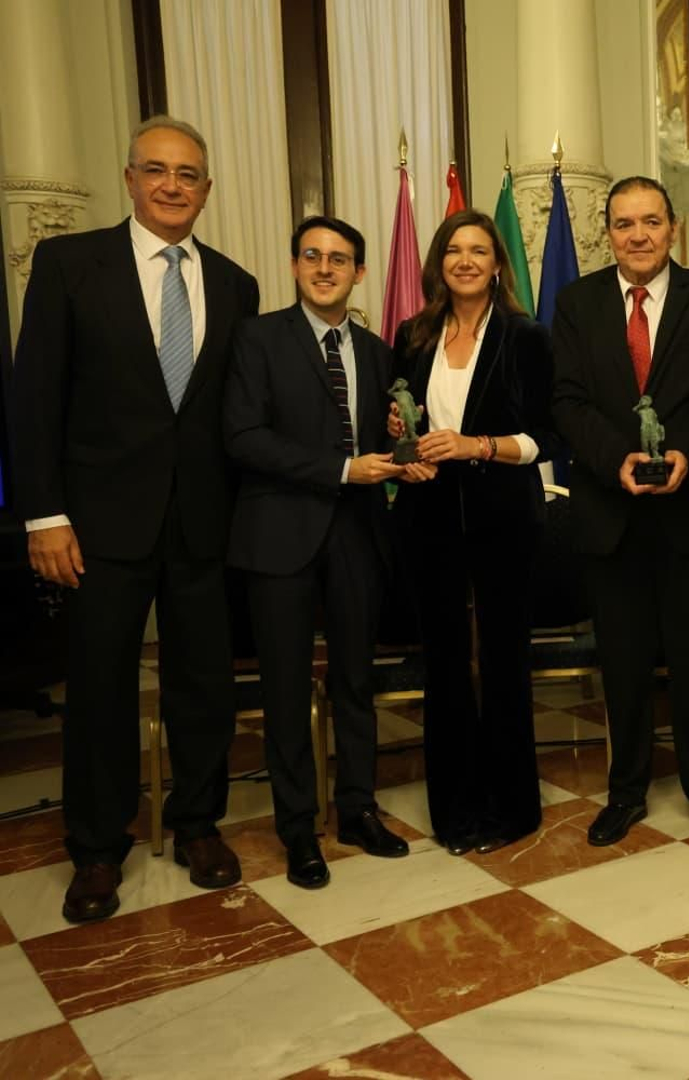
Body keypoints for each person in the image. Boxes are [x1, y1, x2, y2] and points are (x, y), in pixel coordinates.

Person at [10, 116, 259, 922]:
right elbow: (35, 398)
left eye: (188, 174)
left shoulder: (233, 282)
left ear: (207, 190)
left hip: (200, 526)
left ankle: (197, 825)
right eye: (156, 170)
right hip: (97, 526)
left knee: (201, 688)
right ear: (129, 179)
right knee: (100, 690)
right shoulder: (69, 265)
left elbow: (228, 415)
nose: (172, 185)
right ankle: (95, 848)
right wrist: (43, 516)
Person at [223, 216, 414, 889]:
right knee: (284, 689)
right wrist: (339, 470)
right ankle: (297, 826)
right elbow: (242, 436)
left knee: (356, 681)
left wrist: (399, 453)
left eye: (340, 259)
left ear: (360, 272)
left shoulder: (377, 350)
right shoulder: (257, 338)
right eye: (312, 256)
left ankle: (358, 808)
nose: (325, 267)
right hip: (279, 537)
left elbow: (378, 441)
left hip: (359, 537)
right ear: (295, 265)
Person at [550, 177, 689, 851]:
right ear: (609, 233)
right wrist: (619, 461)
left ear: (674, 228)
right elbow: (567, 402)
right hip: (609, 516)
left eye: (650, 222)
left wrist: (683, 452)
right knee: (622, 668)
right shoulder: (576, 304)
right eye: (624, 224)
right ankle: (625, 792)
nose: (638, 235)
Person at [390, 209, 553, 855]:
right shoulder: (412, 334)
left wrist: (475, 445)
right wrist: (406, 443)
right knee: (446, 666)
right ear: (438, 262)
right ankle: (453, 808)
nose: (464, 260)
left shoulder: (525, 336)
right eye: (453, 250)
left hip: (504, 521)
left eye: (478, 251)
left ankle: (511, 807)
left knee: (505, 663)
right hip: (427, 520)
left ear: (496, 264)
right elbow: (396, 424)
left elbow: (546, 440)